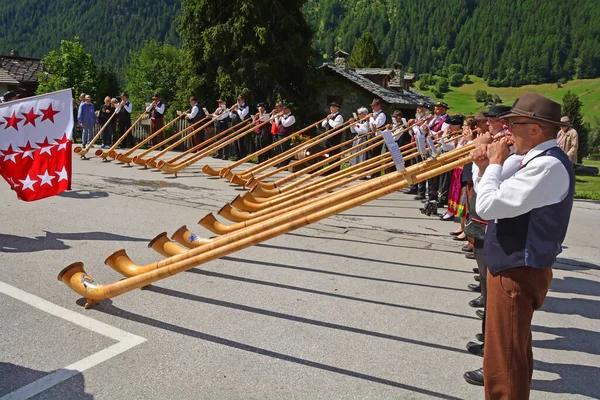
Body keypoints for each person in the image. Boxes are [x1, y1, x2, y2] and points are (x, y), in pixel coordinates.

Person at [463, 93, 575, 400]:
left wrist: (494, 163)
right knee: (509, 357)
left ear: (535, 129)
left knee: (505, 365)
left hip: (517, 270)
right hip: (512, 266)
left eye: (514, 124)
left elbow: (486, 206)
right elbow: (491, 187)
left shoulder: (547, 166)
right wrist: (487, 164)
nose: (506, 130)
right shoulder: (533, 161)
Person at [322, 102, 345, 175]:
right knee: (328, 154)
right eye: (331, 107)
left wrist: (330, 120)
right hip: (329, 138)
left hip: (335, 139)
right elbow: (323, 125)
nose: (331, 108)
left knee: (335, 154)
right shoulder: (330, 116)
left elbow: (335, 126)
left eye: (333, 107)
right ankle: (329, 169)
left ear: (337, 108)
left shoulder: (339, 117)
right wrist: (327, 119)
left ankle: (335, 171)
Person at [229, 94, 250, 160]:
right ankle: (237, 155)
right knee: (235, 141)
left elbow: (242, 116)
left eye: (239, 99)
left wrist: (237, 109)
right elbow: (230, 116)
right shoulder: (236, 106)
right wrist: (232, 111)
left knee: (241, 141)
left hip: (241, 126)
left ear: (243, 100)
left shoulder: (246, 107)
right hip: (234, 126)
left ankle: (242, 156)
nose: (238, 100)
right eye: (237, 99)